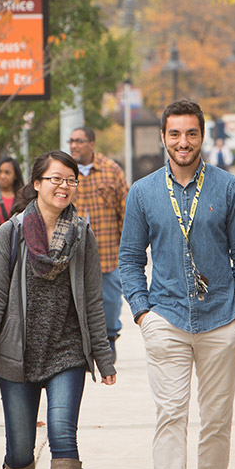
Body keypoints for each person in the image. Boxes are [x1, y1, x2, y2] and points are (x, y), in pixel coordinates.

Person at [119, 98, 235, 469]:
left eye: (191, 133)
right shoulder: (142, 192)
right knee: (171, 413)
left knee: (216, 417)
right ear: (162, 137)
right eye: (174, 133)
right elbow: (129, 259)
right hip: (167, 318)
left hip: (220, 320)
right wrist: (142, 312)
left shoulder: (229, 187)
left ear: (202, 136)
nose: (183, 142)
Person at [0, 150, 117, 469]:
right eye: (54, 178)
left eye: (70, 179)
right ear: (35, 184)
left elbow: (92, 301)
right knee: (19, 448)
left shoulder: (82, 234)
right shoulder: (11, 233)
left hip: (66, 352)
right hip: (18, 352)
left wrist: (103, 358)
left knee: (62, 435)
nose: (63, 186)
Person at [68, 126, 129, 354]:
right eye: (71, 141)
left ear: (91, 144)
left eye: (79, 141)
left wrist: (126, 247)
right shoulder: (65, 172)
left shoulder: (111, 170)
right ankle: (82, 347)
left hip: (107, 252)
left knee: (111, 301)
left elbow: (126, 210)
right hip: (73, 254)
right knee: (76, 303)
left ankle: (110, 339)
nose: (74, 145)